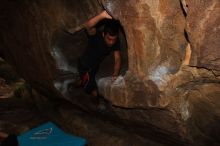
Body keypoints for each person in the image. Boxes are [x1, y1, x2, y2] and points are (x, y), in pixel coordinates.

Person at [77, 10, 121, 106]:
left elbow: (117, 58)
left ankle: (80, 83)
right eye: (109, 39)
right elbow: (88, 26)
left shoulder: (115, 42)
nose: (111, 42)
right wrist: (102, 15)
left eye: (114, 39)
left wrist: (115, 74)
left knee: (84, 81)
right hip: (84, 65)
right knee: (94, 92)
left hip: (94, 67)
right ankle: (95, 106)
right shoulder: (96, 36)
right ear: (103, 34)